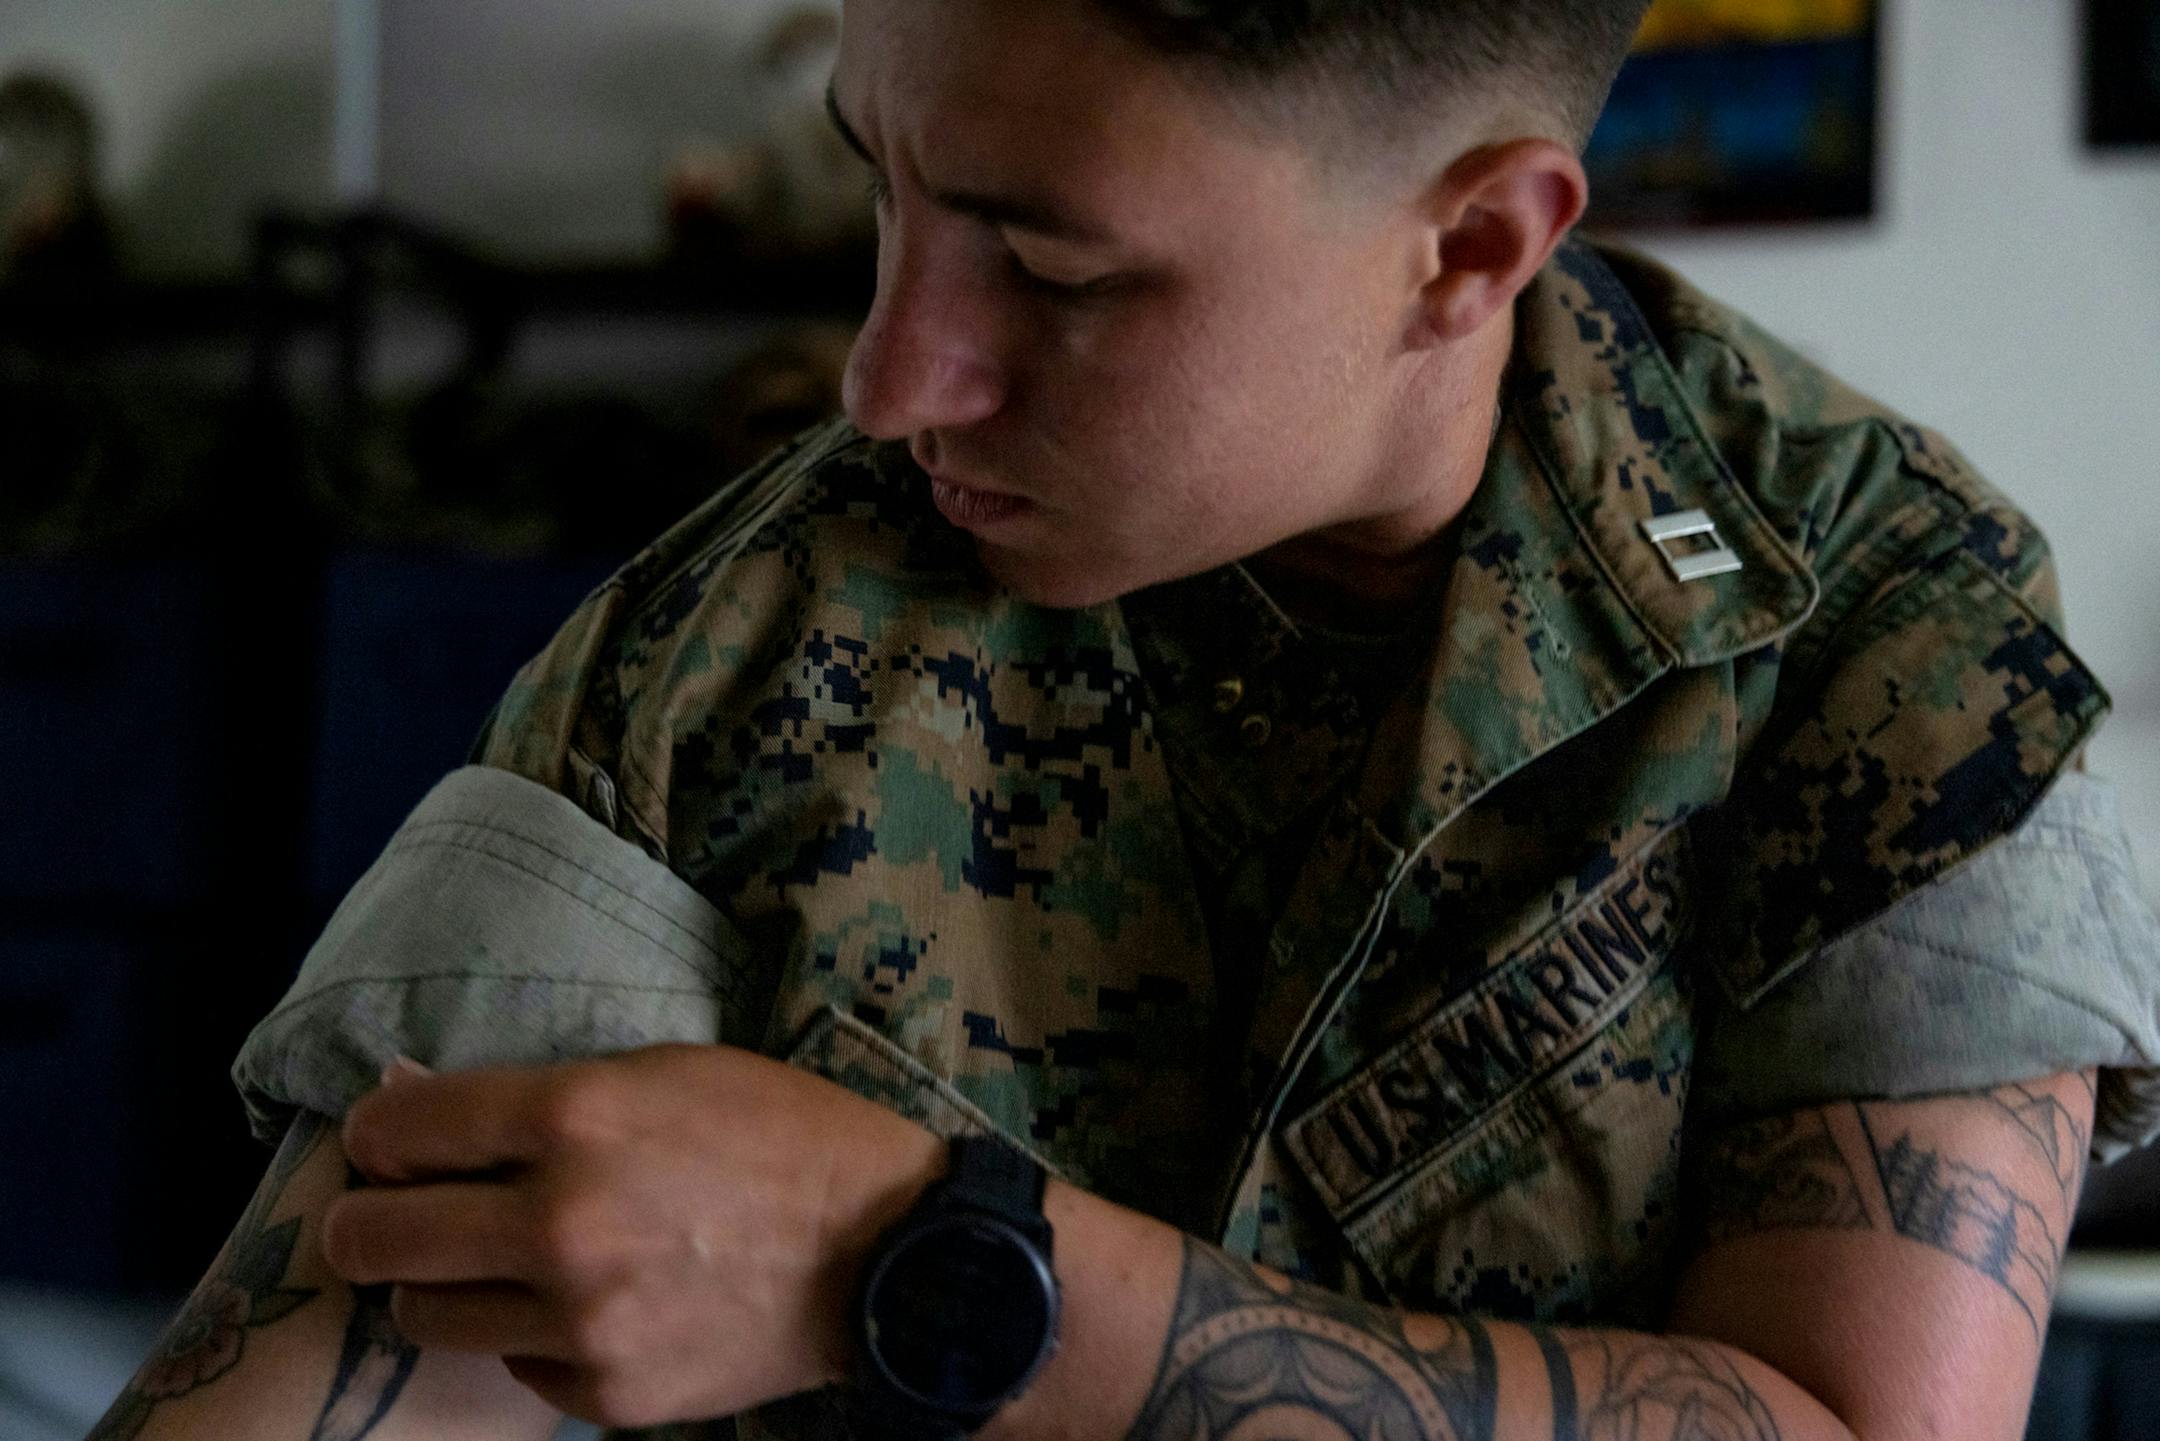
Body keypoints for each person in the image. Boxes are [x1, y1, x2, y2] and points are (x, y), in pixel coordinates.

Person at [90, 1, 2160, 1439]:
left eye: (1053, 274)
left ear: (1469, 245)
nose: (887, 379)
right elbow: (317, 1358)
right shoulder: (755, 627)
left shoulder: (1886, 639)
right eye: (880, 190)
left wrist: (927, 1272)